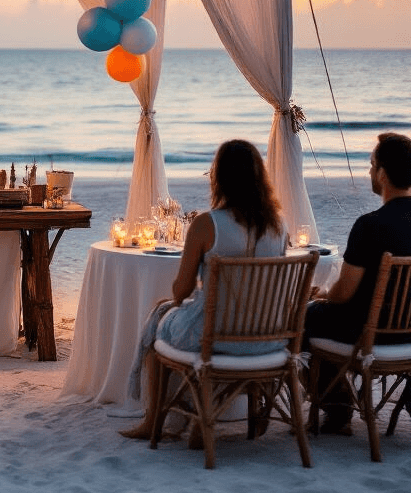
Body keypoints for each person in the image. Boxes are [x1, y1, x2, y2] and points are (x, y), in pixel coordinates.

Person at [121, 139, 287, 439]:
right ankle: (201, 414)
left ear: (218, 177)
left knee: (159, 318)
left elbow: (181, 292)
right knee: (187, 317)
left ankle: (155, 421)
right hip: (268, 341)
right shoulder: (279, 227)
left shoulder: (206, 224)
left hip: (217, 338)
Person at [303, 131, 411, 435]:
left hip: (368, 333)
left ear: (383, 173)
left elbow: (343, 293)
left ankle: (337, 405)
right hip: (408, 336)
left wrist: (321, 294)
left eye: (371, 163)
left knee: (305, 316)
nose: (368, 171)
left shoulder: (370, 225)